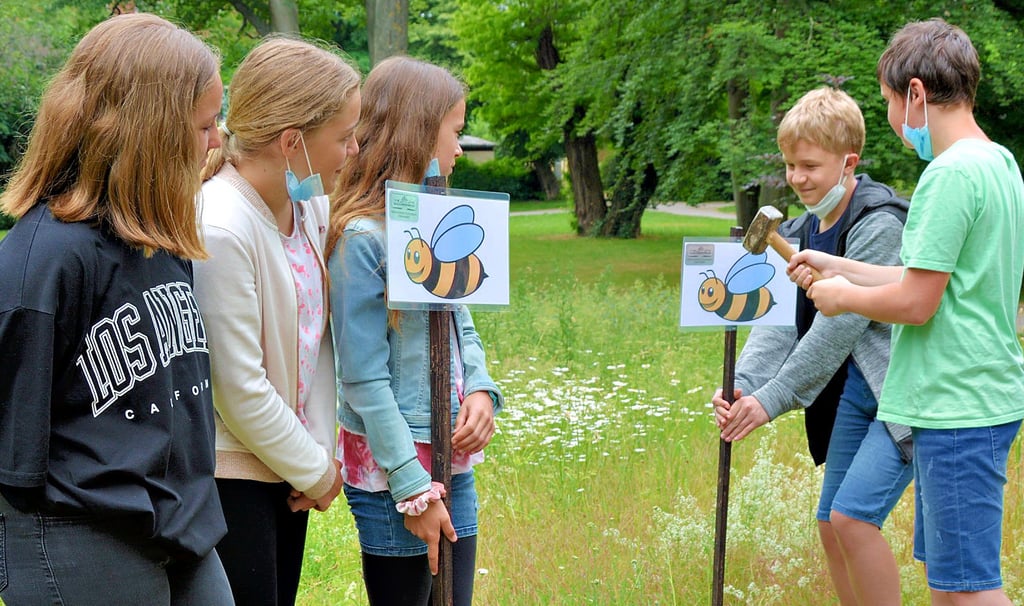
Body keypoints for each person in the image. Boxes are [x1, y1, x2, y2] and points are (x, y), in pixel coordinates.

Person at [0, 13, 233, 605]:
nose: (217, 141)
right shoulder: (47, 257)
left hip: (183, 524)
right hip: (81, 534)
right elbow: (13, 446)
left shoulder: (160, 236)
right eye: (205, 125)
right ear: (150, 130)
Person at [790, 19, 1024, 605]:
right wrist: (839, 266)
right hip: (975, 395)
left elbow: (916, 304)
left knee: (970, 590)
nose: (894, 119)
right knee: (949, 586)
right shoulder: (998, 163)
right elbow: (929, 278)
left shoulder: (946, 176)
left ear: (915, 94)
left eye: (891, 102)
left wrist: (842, 298)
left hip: (956, 402)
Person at [712, 87, 913, 605]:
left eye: (809, 166)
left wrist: (771, 400)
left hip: (900, 392)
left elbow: (836, 331)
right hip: (851, 398)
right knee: (831, 524)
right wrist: (744, 385)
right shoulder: (800, 230)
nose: (797, 179)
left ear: (849, 162)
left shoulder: (878, 221)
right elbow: (779, 324)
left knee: (853, 518)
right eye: (789, 166)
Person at [327, 56, 504, 606]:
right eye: (454, 131)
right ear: (417, 132)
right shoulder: (364, 241)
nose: (458, 148)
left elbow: (460, 320)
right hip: (391, 476)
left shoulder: (433, 221)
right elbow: (362, 379)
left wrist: (479, 387)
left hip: (451, 459)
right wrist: (411, 489)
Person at [192, 37, 359, 606]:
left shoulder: (311, 204)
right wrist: (317, 471)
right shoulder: (220, 226)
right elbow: (237, 387)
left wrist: (315, 456)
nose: (354, 150)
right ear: (292, 143)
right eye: (343, 137)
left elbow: (316, 344)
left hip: (290, 469)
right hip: (235, 478)